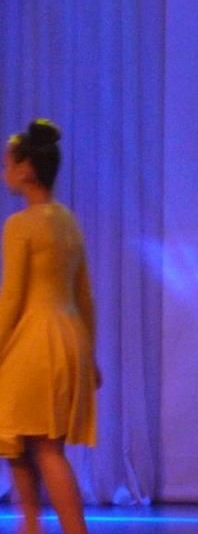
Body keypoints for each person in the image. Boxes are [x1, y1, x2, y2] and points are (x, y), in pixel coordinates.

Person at [0, 119, 99, 534]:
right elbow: (85, 296)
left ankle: (62, 527)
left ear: (26, 169)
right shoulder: (67, 221)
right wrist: (90, 355)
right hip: (68, 336)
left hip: (34, 341)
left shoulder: (21, 225)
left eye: (8, 164)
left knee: (43, 446)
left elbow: (12, 299)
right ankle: (30, 525)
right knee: (18, 437)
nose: (5, 172)